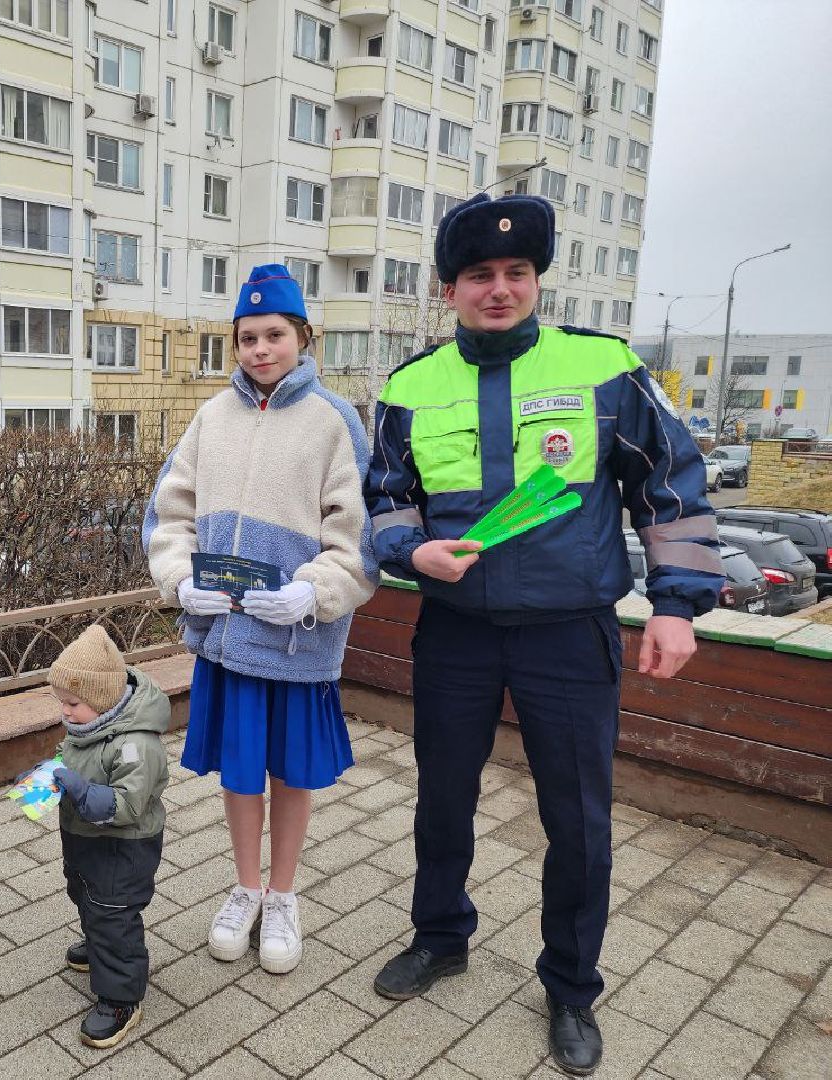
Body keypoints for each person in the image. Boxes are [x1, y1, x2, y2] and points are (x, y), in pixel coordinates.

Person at [363, 194, 723, 1076]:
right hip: (456, 633)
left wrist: (676, 604)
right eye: (480, 275)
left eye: (516, 274)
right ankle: (442, 936)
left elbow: (671, 485)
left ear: (536, 280)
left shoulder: (604, 370)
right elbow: (384, 499)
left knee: (578, 821)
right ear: (449, 289)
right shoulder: (410, 385)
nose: (499, 289)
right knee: (442, 800)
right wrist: (412, 550)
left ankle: (570, 987)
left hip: (570, 634)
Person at [143, 264, 379, 975]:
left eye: (275, 334)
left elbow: (360, 535)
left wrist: (316, 592)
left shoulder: (335, 421)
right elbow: (169, 513)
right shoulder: (212, 416)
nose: (260, 349)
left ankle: (283, 895)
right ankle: (244, 888)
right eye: (247, 337)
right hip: (227, 636)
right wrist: (181, 581)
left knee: (291, 773)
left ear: (304, 338)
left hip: (297, 638)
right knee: (242, 772)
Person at [47, 624, 169, 1049]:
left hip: (123, 845)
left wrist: (81, 790)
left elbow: (129, 805)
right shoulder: (89, 725)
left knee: (113, 912)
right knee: (84, 894)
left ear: (102, 700)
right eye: (60, 701)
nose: (64, 711)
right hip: (83, 837)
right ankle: (99, 943)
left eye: (73, 703)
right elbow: (75, 757)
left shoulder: (136, 745)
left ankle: (121, 997)